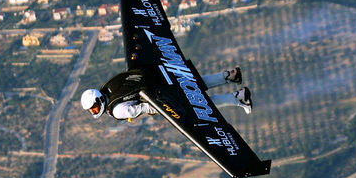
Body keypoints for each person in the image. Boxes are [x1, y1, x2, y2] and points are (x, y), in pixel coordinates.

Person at [81, 67, 252, 120]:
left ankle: (238, 98)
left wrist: (165, 109)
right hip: (155, 76)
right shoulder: (108, 87)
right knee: (192, 84)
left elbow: (145, 108)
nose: (94, 112)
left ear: (98, 100)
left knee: (197, 105)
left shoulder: (116, 111)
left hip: (158, 91)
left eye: (94, 108)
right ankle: (229, 76)